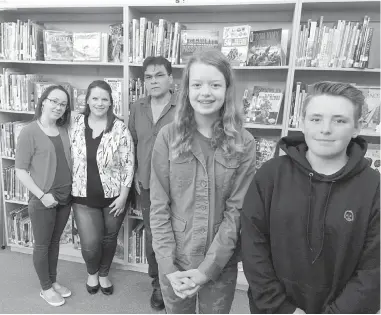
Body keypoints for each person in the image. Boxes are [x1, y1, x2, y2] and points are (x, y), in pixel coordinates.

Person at [241, 81, 380, 314]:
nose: (326, 129)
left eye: (340, 120)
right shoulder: (271, 175)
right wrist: (282, 309)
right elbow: (253, 246)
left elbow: (374, 268)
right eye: (316, 119)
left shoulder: (374, 186)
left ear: (356, 128)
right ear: (302, 123)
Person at [150, 50, 257, 314]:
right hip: (175, 256)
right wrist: (166, 265)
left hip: (220, 259)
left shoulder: (244, 142)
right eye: (197, 84)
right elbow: (159, 205)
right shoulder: (168, 136)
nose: (205, 92)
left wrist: (207, 269)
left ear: (227, 89)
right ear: (186, 89)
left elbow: (237, 212)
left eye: (215, 84)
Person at [70, 80, 134, 296]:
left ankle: (104, 274)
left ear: (110, 102)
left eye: (104, 99)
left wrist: (124, 195)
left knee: (109, 238)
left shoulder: (119, 127)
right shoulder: (75, 123)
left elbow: (128, 164)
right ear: (87, 100)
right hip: (82, 197)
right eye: (95, 98)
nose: (99, 103)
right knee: (90, 242)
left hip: (114, 197)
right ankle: (92, 272)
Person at [15, 85, 73, 307]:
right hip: (43, 200)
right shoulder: (30, 131)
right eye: (54, 101)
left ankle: (53, 280)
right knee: (42, 244)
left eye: (63, 104)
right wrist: (42, 195)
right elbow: (20, 170)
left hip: (65, 198)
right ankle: (45, 288)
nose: (58, 107)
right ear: (43, 101)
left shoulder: (64, 129)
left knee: (55, 242)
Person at [128, 56, 177, 310]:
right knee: (154, 236)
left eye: (159, 75)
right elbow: (132, 143)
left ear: (171, 78)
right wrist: (136, 172)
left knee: (180, 234)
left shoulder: (185, 107)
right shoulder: (137, 107)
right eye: (148, 77)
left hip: (180, 185)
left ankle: (177, 282)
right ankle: (158, 283)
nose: (153, 81)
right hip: (147, 185)